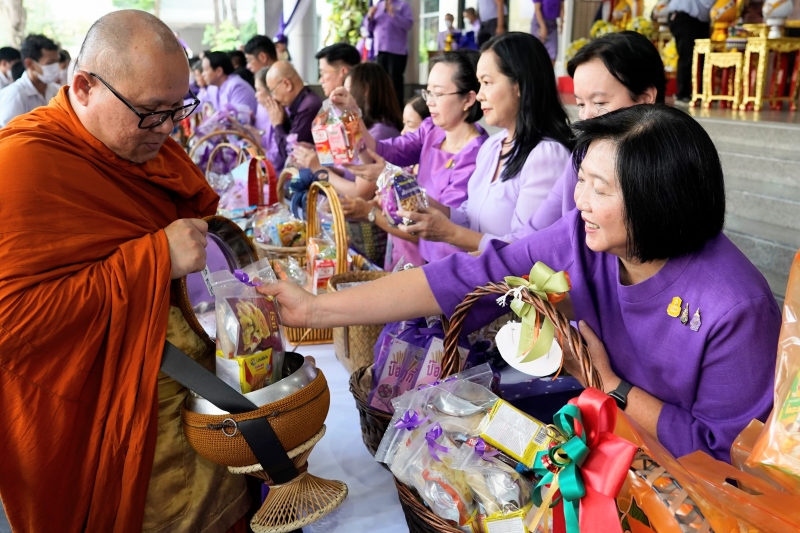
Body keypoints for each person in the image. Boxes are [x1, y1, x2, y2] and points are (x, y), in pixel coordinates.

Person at [259, 105, 779, 464]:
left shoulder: (735, 306)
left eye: (599, 189)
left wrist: (608, 383)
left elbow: (728, 459)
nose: (578, 202)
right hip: (597, 447)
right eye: (581, 181)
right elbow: (463, 278)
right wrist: (316, 309)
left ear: (659, 199)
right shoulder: (583, 237)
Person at [0, 10, 252, 533]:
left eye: (176, 110)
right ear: (85, 86)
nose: (165, 130)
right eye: (150, 112)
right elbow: (11, 323)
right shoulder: (22, 168)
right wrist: (154, 257)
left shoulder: (139, 144)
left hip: (184, 398)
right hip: (108, 413)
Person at [385, 33, 572, 254]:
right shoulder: (493, 146)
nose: (480, 95)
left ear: (519, 84)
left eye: (486, 82)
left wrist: (449, 233)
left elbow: (526, 248)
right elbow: (469, 216)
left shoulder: (546, 155)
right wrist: (424, 203)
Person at [332, 50, 489, 269]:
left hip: (452, 262)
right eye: (428, 93)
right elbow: (385, 151)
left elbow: (448, 217)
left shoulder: (477, 153)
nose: (430, 102)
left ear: (468, 99)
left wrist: (390, 177)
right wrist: (352, 115)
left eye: (439, 94)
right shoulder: (431, 130)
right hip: (422, 254)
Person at [529, 31, 665, 231]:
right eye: (580, 104)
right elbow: (537, 230)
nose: (586, 117)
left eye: (600, 102)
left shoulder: (671, 165)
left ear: (645, 99)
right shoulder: (584, 154)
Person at [294, 62, 403, 266]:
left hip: (370, 232)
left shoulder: (379, 134)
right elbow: (352, 173)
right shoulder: (367, 131)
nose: (345, 98)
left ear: (366, 91)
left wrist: (320, 169)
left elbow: (361, 191)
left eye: (349, 91)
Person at [265, 61, 323, 171]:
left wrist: (278, 125)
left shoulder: (309, 107)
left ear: (287, 84)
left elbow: (290, 156)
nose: (273, 98)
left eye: (272, 91)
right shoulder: (302, 102)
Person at [0, 34, 61, 128]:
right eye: (50, 63)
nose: (56, 67)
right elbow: (9, 136)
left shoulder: (57, 91)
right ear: (30, 64)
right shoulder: (15, 95)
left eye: (57, 62)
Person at [366, 0, 414, 106]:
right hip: (379, 50)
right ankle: (381, 110)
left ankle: (397, 111)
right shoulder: (378, 5)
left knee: (394, 82)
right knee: (380, 82)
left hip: (397, 51)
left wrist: (393, 14)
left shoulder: (403, 5)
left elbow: (408, 24)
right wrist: (370, 16)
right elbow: (368, 29)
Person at [667, 0, 713, 103]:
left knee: (702, 57)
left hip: (699, 20)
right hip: (684, 17)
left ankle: (701, 92)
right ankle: (683, 94)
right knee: (687, 55)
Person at [201, 50, 258, 119]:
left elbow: (239, 121)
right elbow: (198, 104)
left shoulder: (237, 87)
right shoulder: (213, 88)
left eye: (205, 70)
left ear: (219, 71)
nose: (202, 74)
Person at [254, 66, 280, 169]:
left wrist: (256, 148)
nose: (256, 95)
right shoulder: (261, 107)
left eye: (258, 90)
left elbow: (276, 159)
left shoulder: (280, 114)